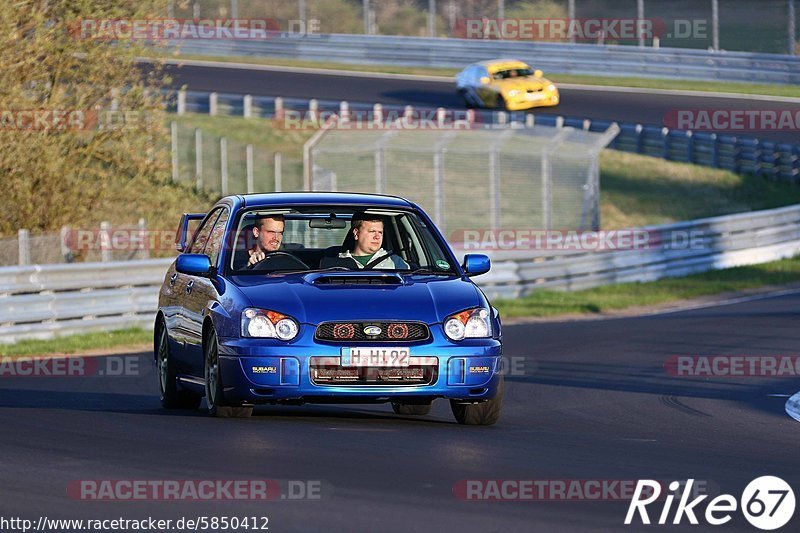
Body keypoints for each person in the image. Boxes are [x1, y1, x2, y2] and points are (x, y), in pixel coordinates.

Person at [336, 214, 409, 270]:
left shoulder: (396, 262)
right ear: (356, 233)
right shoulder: (336, 263)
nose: (377, 237)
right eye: (372, 231)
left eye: (380, 232)